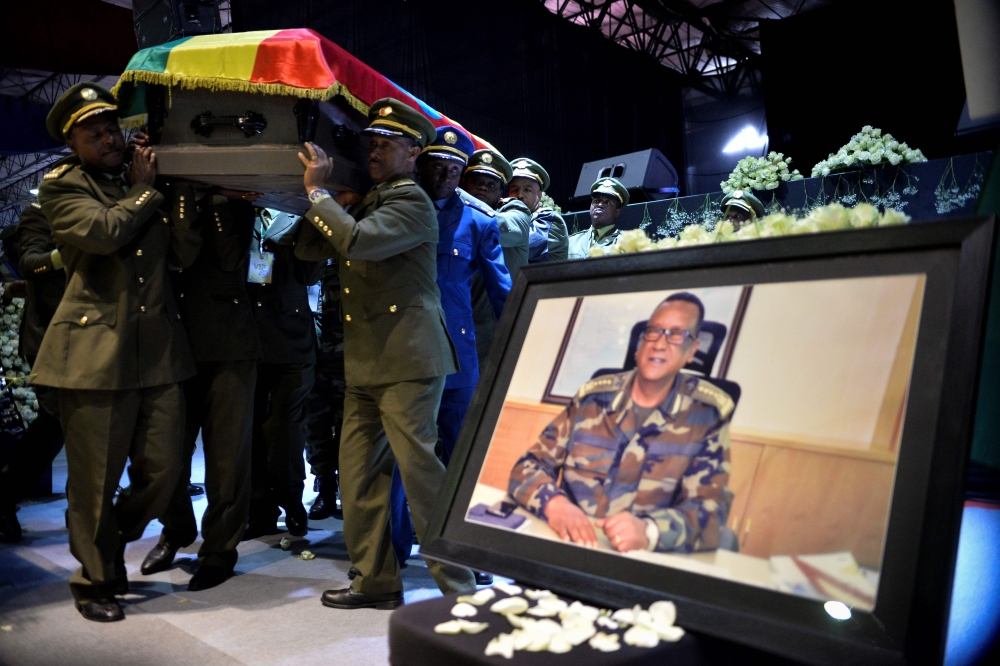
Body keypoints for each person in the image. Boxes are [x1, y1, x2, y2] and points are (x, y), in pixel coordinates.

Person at [294, 97, 477, 610]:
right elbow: (309, 250)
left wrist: (318, 194)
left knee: (420, 475)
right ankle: (375, 581)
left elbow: (355, 243)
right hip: (368, 362)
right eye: (370, 142)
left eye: (386, 143)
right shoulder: (369, 200)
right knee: (359, 474)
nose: (374, 151)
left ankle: (461, 589)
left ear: (413, 152)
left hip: (409, 361)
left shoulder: (411, 202)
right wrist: (332, 200)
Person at [36, 82, 198, 622]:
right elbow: (103, 233)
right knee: (94, 480)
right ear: (73, 143)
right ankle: (95, 581)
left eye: (112, 128)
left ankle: (105, 540)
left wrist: (171, 191)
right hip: (93, 354)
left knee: (166, 472)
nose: (109, 138)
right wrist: (146, 191)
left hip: (158, 352)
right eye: (95, 133)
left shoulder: (141, 179)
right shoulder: (62, 188)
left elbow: (185, 251)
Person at [508, 293, 734, 554]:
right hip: (566, 547)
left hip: (642, 564)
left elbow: (711, 513)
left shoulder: (707, 417)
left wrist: (650, 532)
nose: (659, 344)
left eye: (676, 334)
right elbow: (527, 467)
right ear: (639, 346)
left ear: (692, 351)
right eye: (653, 331)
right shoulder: (591, 400)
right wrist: (554, 504)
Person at [139, 186, 261, 591]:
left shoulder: (235, 197)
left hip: (229, 343)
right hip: (172, 342)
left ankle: (219, 549)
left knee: (227, 459)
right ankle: (176, 530)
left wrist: (216, 199)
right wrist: (182, 194)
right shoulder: (157, 193)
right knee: (162, 454)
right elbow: (179, 252)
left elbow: (230, 256)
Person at [416, 126, 511, 465]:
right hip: (410, 353)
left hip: (457, 353)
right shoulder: (401, 206)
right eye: (439, 165)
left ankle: (458, 520)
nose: (445, 175)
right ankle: (401, 522)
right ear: (423, 163)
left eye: (455, 169)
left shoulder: (480, 221)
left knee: (463, 455)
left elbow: (502, 292)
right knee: (404, 458)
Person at [245, 209, 325, 539]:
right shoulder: (235, 208)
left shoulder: (297, 211)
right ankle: (259, 509)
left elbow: (310, 273)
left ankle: (292, 502)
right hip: (245, 336)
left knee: (285, 429)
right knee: (248, 431)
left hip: (292, 339)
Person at [0, 201, 67, 542]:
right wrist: (64, 255)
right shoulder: (42, 213)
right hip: (48, 339)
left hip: (86, 339)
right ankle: (4, 497)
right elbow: (30, 264)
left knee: (75, 425)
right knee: (53, 424)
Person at [462, 148, 530, 369]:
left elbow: (511, 230)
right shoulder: (449, 213)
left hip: (499, 322)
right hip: (461, 319)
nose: (482, 187)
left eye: (491, 184)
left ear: (501, 192)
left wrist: (455, 193)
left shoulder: (515, 209)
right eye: (476, 181)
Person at [303, 259, 345, 521]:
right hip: (311, 354)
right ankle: (325, 489)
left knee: (347, 426)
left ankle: (347, 488)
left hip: (345, 354)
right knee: (315, 426)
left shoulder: (349, 254)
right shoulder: (307, 256)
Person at [507, 158, 567, 263]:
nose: (520, 195)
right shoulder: (508, 217)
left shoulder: (550, 220)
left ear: (539, 196)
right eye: (514, 190)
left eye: (527, 190)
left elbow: (519, 247)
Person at [567, 177, 629, 259]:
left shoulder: (625, 242)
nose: (600, 205)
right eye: (596, 201)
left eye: (607, 202)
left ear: (617, 212)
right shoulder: (571, 241)